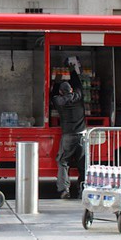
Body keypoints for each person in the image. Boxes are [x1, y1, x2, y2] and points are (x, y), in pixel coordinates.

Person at [51, 57, 86, 199]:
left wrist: (57, 79)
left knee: (63, 161)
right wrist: (72, 69)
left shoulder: (58, 101)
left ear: (61, 92)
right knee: (83, 163)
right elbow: (78, 83)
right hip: (82, 135)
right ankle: (83, 188)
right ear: (71, 89)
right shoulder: (78, 96)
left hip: (68, 136)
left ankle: (64, 189)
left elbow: (53, 92)